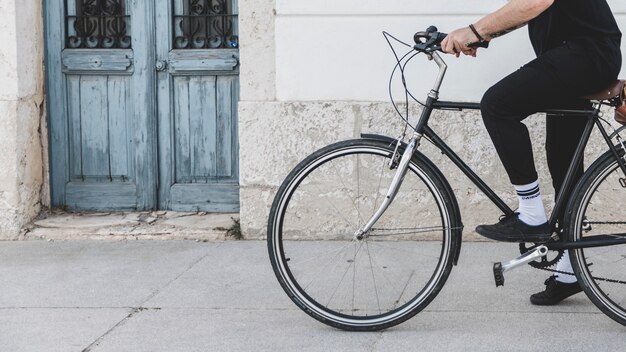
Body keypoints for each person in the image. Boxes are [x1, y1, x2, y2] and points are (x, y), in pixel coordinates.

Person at [440, 0, 622, 305]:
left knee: (497, 105)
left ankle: (532, 214)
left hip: (583, 55)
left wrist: (474, 31)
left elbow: (534, 3)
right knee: (562, 160)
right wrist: (480, 37)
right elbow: (528, 10)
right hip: (578, 56)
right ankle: (570, 270)